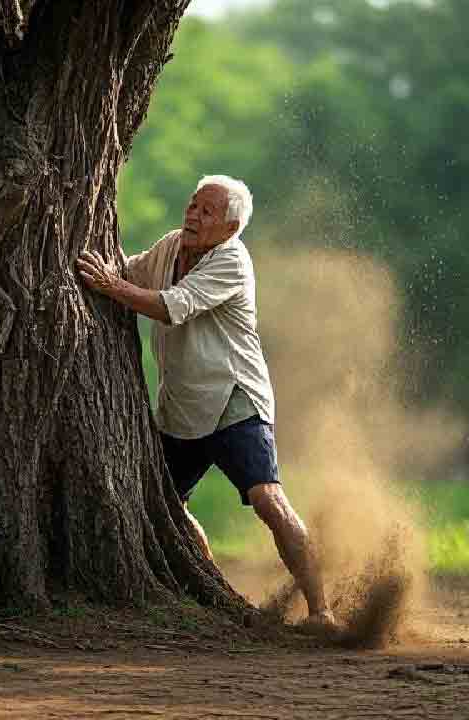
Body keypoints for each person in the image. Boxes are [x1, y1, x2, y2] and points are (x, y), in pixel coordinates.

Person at [76, 174, 337, 629]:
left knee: (267, 499)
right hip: (180, 406)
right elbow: (130, 269)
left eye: (207, 211)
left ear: (231, 227)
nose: (193, 214)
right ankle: (213, 586)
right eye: (193, 204)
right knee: (165, 507)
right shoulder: (172, 246)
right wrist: (103, 270)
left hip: (234, 398)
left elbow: (170, 305)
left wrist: (110, 288)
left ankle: (322, 610)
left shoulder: (232, 260)